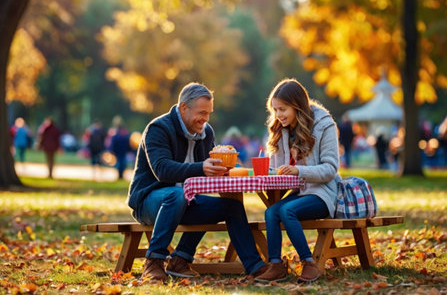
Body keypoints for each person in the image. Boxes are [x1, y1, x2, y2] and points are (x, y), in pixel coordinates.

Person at [127, 82, 267, 282]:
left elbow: (206, 172)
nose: (205, 119)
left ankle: (253, 266)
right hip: (149, 201)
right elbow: (162, 170)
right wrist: (202, 167)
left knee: (231, 206)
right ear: (184, 107)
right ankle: (154, 262)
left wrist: (222, 171)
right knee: (177, 195)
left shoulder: (206, 132)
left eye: (209, 113)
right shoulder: (158, 128)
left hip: (186, 201)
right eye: (202, 112)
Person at [255, 79, 340, 283]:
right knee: (271, 212)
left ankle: (309, 264)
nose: (278, 115)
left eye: (282, 109)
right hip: (300, 193)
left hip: (323, 192)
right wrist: (270, 172)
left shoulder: (323, 125)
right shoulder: (282, 129)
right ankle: (276, 265)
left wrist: (298, 170)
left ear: (297, 106)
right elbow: (278, 169)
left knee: (286, 211)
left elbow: (330, 168)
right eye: (275, 110)